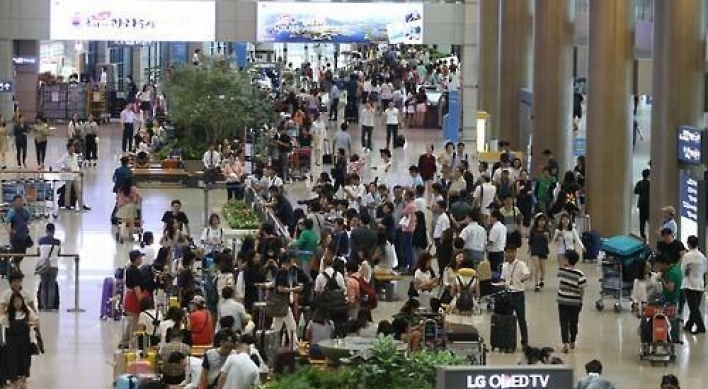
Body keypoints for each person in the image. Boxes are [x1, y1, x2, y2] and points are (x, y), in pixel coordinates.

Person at [0, 292, 38, 389]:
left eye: (19, 301)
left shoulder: (27, 311)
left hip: (25, 342)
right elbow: (2, 322)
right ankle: (14, 380)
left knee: (25, 360)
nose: (17, 303)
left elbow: (36, 321)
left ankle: (23, 379)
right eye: (15, 301)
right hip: (12, 342)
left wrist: (31, 324)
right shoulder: (8, 314)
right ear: (11, 303)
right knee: (13, 361)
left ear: (22, 301)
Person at [501, 243, 531, 348]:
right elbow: (503, 279)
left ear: (515, 252)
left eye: (511, 252)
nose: (509, 254)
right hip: (508, 294)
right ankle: (509, 342)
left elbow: (527, 274)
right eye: (507, 252)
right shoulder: (504, 266)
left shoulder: (521, 264)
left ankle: (525, 342)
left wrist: (523, 278)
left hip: (518, 294)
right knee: (508, 319)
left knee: (521, 319)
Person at [557, 250, 586, 353]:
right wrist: (580, 299)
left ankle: (565, 343)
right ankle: (572, 341)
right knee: (574, 322)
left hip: (562, 301)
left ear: (567, 260)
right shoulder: (580, 274)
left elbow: (560, 265)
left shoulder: (562, 271)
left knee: (563, 323)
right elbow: (582, 289)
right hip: (575, 302)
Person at [681, 235, 706, 334]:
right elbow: (705, 270)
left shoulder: (687, 256)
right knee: (695, 306)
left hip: (689, 284)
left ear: (688, 244)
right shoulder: (702, 256)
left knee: (693, 307)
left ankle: (701, 327)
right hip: (699, 284)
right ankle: (689, 325)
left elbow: (682, 270)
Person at [56, 141, 90, 210]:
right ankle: (67, 205)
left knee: (79, 191)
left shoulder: (76, 156)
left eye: (73, 148)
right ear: (68, 149)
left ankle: (81, 205)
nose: (73, 150)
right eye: (71, 148)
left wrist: (79, 170)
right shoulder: (65, 156)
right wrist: (64, 167)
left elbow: (78, 164)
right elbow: (57, 163)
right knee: (67, 190)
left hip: (76, 175)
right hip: (68, 176)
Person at [36, 223, 61, 311]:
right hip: (53, 266)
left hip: (43, 266)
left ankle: (43, 305)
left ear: (46, 230)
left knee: (43, 286)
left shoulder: (40, 241)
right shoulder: (57, 242)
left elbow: (38, 252)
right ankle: (50, 306)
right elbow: (59, 253)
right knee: (51, 286)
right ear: (54, 231)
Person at [5, 195, 32, 265]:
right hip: (15, 237)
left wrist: (27, 223)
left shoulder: (25, 211)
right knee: (17, 253)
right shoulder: (12, 212)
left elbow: (29, 219)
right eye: (18, 201)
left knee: (22, 253)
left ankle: (15, 266)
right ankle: (14, 267)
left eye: (21, 201)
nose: (20, 203)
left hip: (23, 236)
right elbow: (7, 222)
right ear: (14, 202)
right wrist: (10, 231)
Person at [528, 213, 551, 292]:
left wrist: (547, 236)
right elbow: (530, 241)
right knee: (536, 267)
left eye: (543, 221)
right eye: (540, 220)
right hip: (535, 250)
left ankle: (542, 279)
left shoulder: (547, 230)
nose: (541, 222)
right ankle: (536, 284)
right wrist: (529, 249)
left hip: (543, 250)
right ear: (537, 221)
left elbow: (549, 242)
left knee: (543, 268)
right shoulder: (533, 230)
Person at [115, 178, 141, 242]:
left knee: (123, 223)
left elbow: (117, 198)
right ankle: (131, 237)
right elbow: (135, 199)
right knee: (131, 223)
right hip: (131, 207)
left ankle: (121, 236)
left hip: (123, 207)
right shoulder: (133, 189)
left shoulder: (121, 189)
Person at [634, 169, 650, 240]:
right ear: (649, 175)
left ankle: (643, 236)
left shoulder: (639, 183)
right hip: (649, 205)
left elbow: (636, 191)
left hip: (641, 205)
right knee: (651, 221)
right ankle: (652, 235)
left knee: (642, 222)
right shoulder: (651, 183)